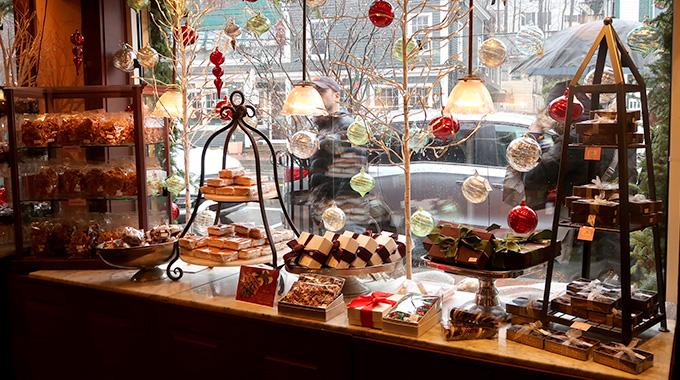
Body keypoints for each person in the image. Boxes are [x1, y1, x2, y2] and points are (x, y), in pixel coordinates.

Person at [306, 76, 396, 233]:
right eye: (314, 92)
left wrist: (331, 208)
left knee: (347, 253)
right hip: (332, 213)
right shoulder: (324, 127)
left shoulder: (347, 127)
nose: (317, 96)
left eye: (322, 91)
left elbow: (352, 176)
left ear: (337, 96)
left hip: (344, 214)